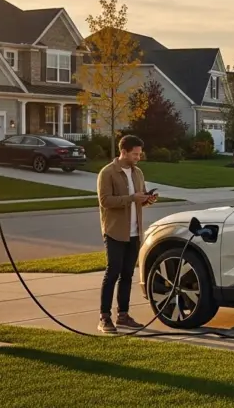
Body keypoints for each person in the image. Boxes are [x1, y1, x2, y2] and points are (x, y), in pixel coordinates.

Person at [97, 134, 157, 333]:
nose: (138, 157)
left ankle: (123, 315)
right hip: (115, 231)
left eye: (140, 154)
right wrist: (132, 198)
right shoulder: (107, 173)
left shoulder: (137, 172)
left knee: (128, 275)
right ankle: (104, 317)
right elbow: (105, 201)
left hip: (134, 231)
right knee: (112, 272)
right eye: (135, 154)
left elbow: (140, 196)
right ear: (123, 152)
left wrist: (147, 199)